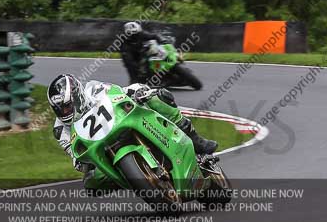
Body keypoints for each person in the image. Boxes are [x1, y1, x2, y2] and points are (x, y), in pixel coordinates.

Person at [47, 73, 217, 188]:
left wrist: (138, 91)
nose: (64, 112)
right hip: (101, 148)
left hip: (121, 121)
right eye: (60, 109)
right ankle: (135, 179)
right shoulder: (60, 129)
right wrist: (80, 162)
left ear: (77, 96)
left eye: (67, 107)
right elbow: (74, 155)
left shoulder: (93, 90)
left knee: (158, 97)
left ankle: (195, 139)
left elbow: (118, 91)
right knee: (91, 182)